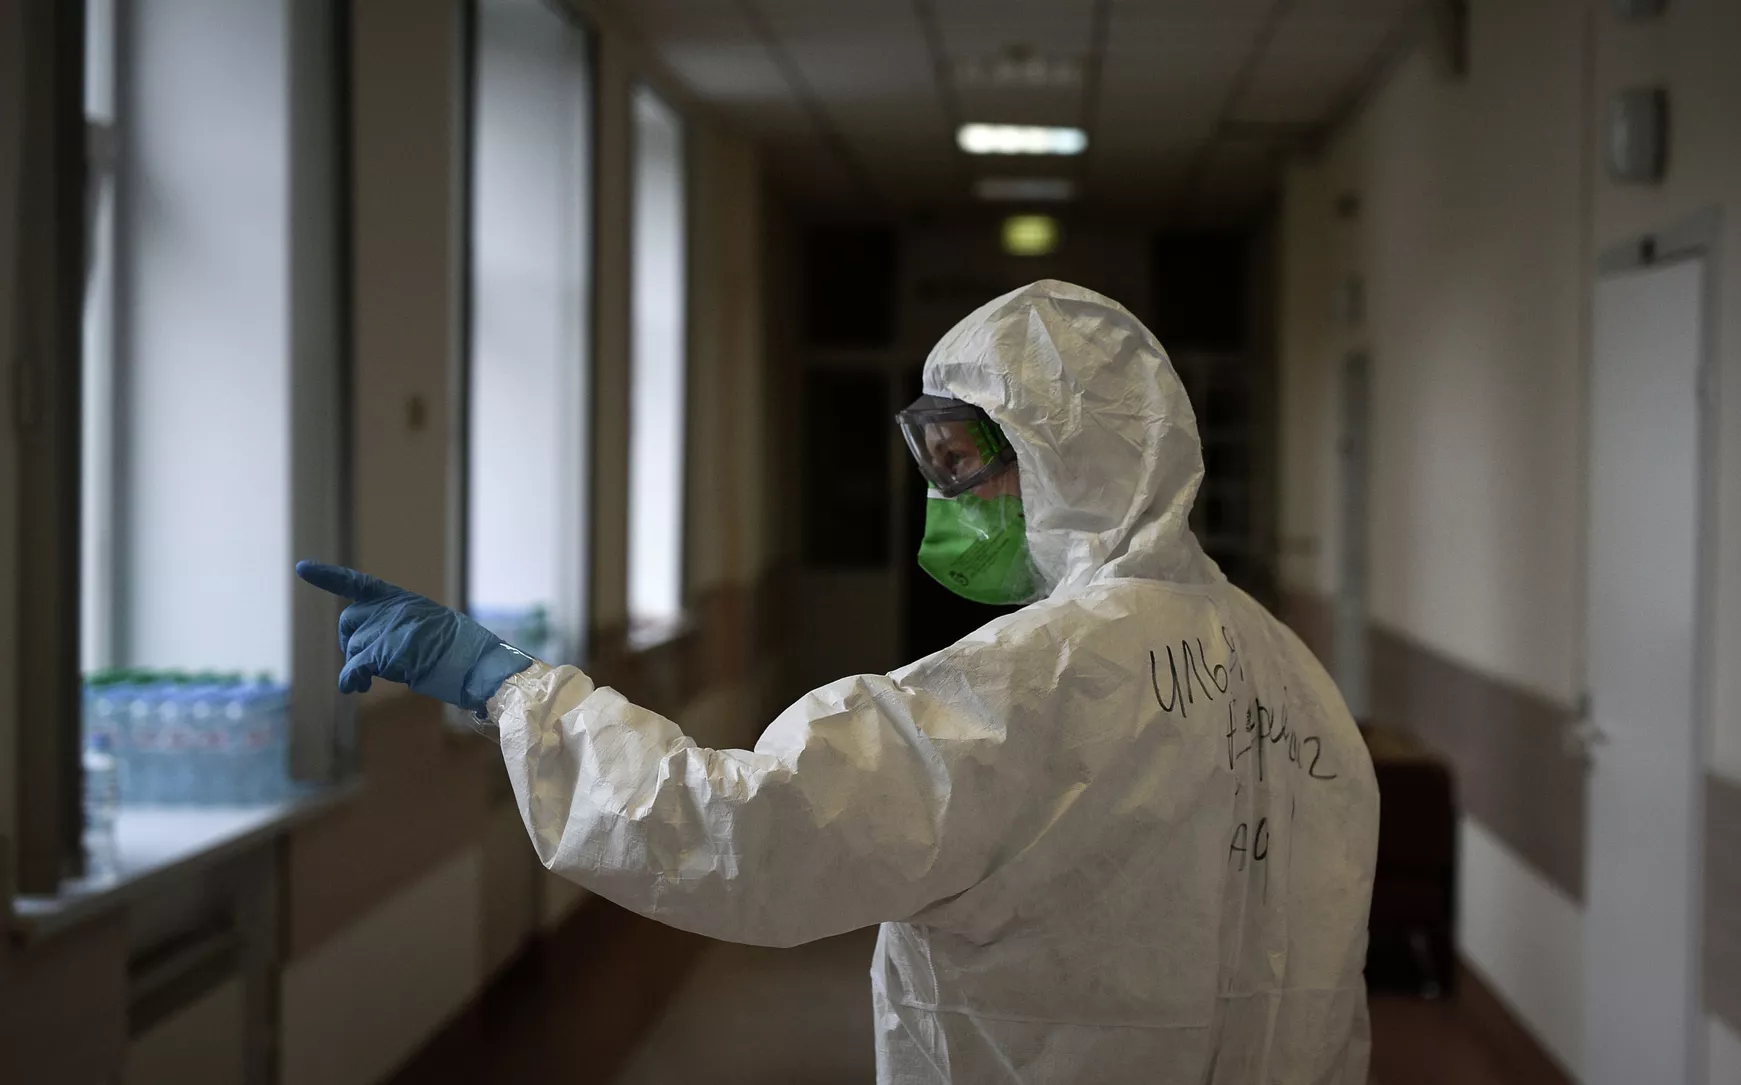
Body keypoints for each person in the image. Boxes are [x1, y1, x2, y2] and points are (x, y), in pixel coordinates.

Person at [298, 280, 1379, 1084]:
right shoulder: (1300, 683)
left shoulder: (1036, 684)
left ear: (1071, 455)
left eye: (965, 461)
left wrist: (506, 686)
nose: (946, 498)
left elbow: (744, 832)